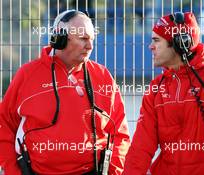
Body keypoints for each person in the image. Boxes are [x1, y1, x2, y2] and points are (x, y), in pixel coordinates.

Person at [123, 12, 204, 175]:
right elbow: (141, 148)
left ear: (180, 43)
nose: (150, 46)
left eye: (156, 40)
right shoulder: (156, 88)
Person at [0, 9, 130, 175]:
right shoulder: (27, 75)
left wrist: (114, 172)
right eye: (83, 39)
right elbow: (4, 125)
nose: (90, 46)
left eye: (92, 39)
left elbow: (120, 132)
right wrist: (13, 171)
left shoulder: (102, 76)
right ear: (59, 39)